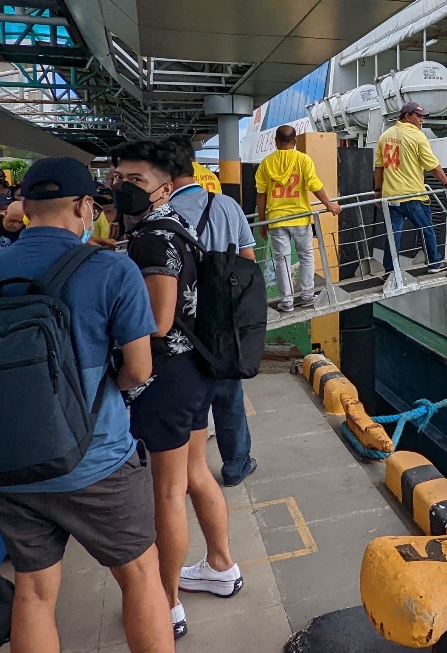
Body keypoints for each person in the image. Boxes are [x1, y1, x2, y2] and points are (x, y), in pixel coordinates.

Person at [0, 156, 172, 653]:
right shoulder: (112, 268)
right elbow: (139, 368)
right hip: (96, 458)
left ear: (24, 206)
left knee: (33, 590)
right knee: (139, 575)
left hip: (8, 460)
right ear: (85, 205)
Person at [110, 140, 244, 640]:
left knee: (166, 491)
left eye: (135, 181)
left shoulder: (151, 238)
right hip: (193, 370)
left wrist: (127, 377)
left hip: (164, 378)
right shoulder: (175, 228)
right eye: (117, 179)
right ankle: (221, 566)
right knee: (193, 473)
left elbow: (159, 321)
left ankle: (165, 604)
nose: (123, 189)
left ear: (164, 189)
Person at [158, 136, 257, 487]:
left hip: (180, 321)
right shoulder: (227, 205)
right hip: (225, 318)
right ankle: (236, 465)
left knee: (183, 397)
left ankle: (181, 471)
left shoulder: (162, 216)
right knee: (229, 396)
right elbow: (249, 261)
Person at [256, 125, 342, 312]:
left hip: (277, 219)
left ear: (276, 142)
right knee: (306, 257)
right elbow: (314, 184)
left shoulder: (266, 163)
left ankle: (286, 302)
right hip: (301, 217)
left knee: (282, 260)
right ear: (295, 142)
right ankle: (307, 296)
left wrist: (263, 222)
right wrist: (329, 204)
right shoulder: (303, 160)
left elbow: (261, 194)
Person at [373, 102, 447, 274]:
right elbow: (432, 165)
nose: (421, 121)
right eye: (419, 117)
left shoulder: (385, 136)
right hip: (413, 195)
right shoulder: (417, 137)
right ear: (407, 116)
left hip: (390, 197)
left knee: (393, 235)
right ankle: (434, 263)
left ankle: (390, 272)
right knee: (427, 228)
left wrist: (378, 190)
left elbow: (379, 167)